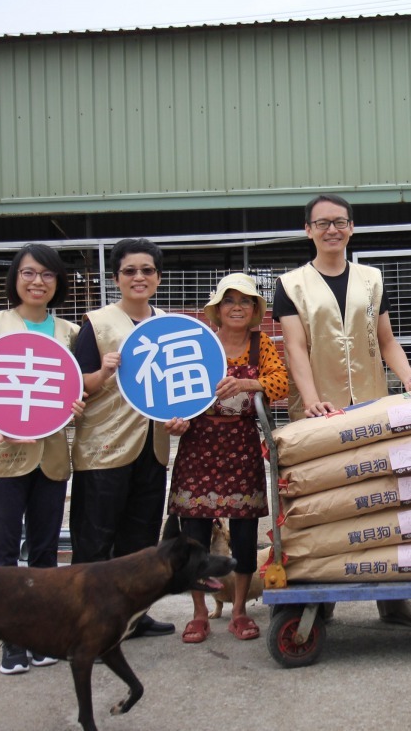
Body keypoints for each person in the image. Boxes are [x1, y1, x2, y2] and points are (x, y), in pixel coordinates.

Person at [272, 194, 411, 627]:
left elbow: (386, 341)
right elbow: (295, 348)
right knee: (319, 503)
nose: (331, 230)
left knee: (383, 495)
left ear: (352, 227)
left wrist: (408, 376)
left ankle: (393, 601)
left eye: (339, 222)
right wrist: (309, 400)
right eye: (322, 223)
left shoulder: (372, 279)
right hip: (319, 412)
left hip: (373, 404)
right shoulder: (290, 284)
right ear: (308, 230)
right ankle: (317, 599)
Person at [0, 243, 83, 675]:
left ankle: (40, 636)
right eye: (29, 273)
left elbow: (75, 388)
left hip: (50, 457)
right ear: (16, 277)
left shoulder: (69, 332)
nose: (37, 282)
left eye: (47, 275)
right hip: (1, 453)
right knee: (3, 553)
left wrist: (76, 403)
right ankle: (10, 642)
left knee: (45, 554)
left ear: (58, 282)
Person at [70, 238, 183, 638]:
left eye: (147, 270)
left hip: (152, 448)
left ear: (158, 277)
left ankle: (134, 616)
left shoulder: (168, 323)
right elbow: (77, 385)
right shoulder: (97, 324)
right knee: (95, 540)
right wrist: (101, 373)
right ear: (116, 277)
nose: (139, 277)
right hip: (104, 447)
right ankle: (87, 624)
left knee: (140, 540)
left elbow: (176, 388)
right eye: (130, 271)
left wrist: (180, 418)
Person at [171, 273, 288, 644]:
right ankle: (199, 612)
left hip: (240, 445)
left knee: (242, 533)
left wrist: (249, 384)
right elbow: (174, 387)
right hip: (197, 443)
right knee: (193, 536)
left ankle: (238, 610)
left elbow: (282, 382)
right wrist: (172, 420)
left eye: (246, 301)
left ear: (255, 310)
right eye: (229, 301)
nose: (237, 307)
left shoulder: (261, 344)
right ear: (216, 309)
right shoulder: (199, 343)